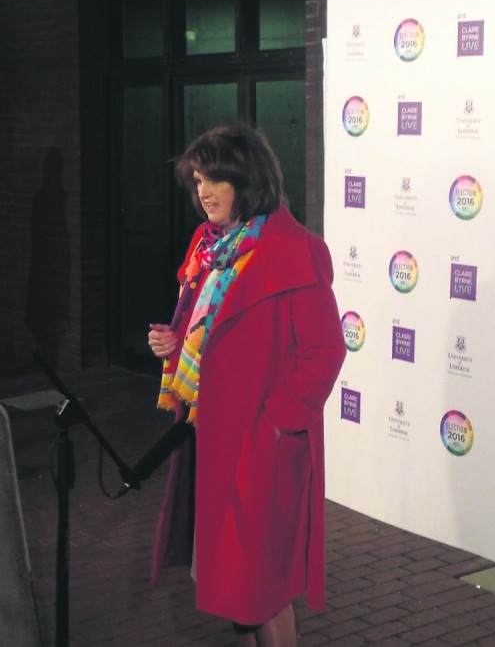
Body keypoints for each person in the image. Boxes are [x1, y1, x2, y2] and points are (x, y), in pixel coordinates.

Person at [147, 122, 346, 646]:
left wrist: (277, 422)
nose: (203, 192)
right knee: (233, 588)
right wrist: (175, 340)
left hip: (259, 448)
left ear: (248, 179)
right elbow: (206, 324)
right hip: (209, 437)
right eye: (197, 181)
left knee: (261, 587)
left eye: (214, 179)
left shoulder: (294, 250)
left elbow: (324, 351)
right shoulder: (209, 246)